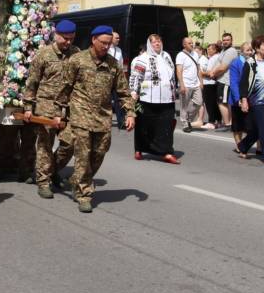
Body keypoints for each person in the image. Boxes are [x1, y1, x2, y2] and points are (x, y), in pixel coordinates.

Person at [56, 25, 135, 213]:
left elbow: (123, 92)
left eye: (109, 44)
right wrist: (60, 113)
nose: (106, 47)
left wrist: (130, 113)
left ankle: (77, 181)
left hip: (103, 117)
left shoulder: (113, 64)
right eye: (103, 43)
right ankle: (84, 193)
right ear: (93, 40)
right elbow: (65, 89)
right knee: (83, 156)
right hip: (80, 116)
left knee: (99, 153)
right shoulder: (77, 60)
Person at [22, 19, 79, 199]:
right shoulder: (43, 55)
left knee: (70, 144)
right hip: (45, 106)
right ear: (56, 35)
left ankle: (52, 170)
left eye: (71, 38)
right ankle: (43, 181)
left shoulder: (76, 54)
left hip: (68, 108)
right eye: (64, 38)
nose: (68, 42)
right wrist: (28, 107)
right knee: (45, 145)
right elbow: (32, 83)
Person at [131, 34, 179, 164]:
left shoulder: (167, 56)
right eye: (154, 42)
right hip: (147, 97)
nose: (157, 44)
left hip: (167, 97)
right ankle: (139, 149)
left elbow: (172, 76)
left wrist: (175, 90)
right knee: (144, 124)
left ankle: (167, 152)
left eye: (159, 41)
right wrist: (134, 92)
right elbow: (136, 77)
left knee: (167, 125)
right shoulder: (142, 58)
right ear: (149, 44)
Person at [237, 36, 264, 165]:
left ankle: (243, 146)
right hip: (256, 100)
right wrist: (243, 100)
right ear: (256, 48)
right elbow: (243, 83)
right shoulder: (250, 63)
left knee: (257, 129)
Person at [228, 42, 254, 151]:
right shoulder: (236, 63)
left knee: (252, 124)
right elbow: (234, 83)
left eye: (251, 50)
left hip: (250, 97)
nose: (250, 52)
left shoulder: (253, 62)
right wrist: (238, 98)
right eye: (247, 50)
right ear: (242, 52)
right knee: (238, 124)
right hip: (237, 98)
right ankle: (239, 145)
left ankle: (259, 147)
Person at [211, 32, 239, 132]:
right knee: (224, 102)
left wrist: (213, 73)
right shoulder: (224, 50)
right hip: (221, 80)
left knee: (222, 102)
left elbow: (223, 67)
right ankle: (229, 123)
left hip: (225, 80)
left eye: (228, 40)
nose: (225, 42)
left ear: (231, 41)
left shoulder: (231, 51)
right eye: (224, 40)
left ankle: (228, 124)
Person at [175, 36, 203, 133]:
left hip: (195, 84)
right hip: (185, 84)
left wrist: (201, 82)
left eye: (192, 43)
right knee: (184, 106)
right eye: (189, 43)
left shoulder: (195, 54)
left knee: (199, 102)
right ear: (184, 45)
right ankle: (185, 124)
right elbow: (179, 71)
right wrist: (181, 85)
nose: (192, 44)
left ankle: (188, 119)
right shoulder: (180, 55)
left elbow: (198, 69)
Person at [200, 43, 220, 129]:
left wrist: (200, 73)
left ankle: (211, 122)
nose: (208, 51)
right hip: (213, 83)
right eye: (207, 49)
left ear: (215, 50)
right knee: (215, 104)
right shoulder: (217, 57)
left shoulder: (213, 58)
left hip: (208, 83)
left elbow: (210, 72)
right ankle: (218, 121)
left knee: (209, 104)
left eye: (210, 49)